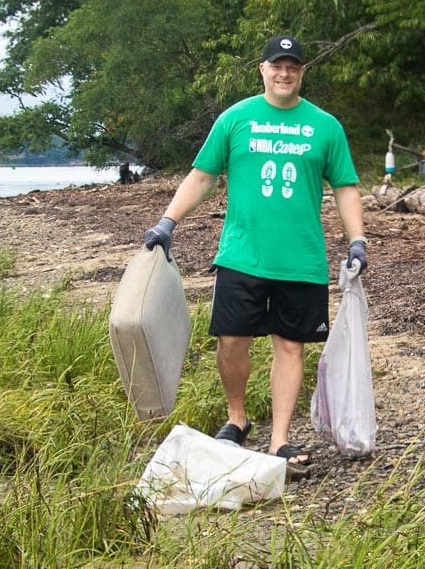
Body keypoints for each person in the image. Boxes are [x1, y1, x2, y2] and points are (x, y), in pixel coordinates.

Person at [144, 35, 367, 480]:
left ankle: (280, 438)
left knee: (289, 345)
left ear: (302, 73)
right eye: (276, 66)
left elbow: (345, 186)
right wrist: (167, 221)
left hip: (301, 260)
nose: (284, 73)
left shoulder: (325, 126)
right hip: (242, 255)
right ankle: (237, 417)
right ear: (262, 70)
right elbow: (203, 175)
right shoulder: (235, 119)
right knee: (232, 340)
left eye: (293, 67)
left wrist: (356, 239)